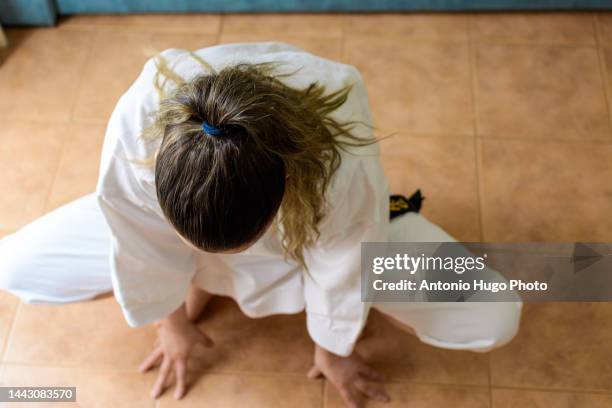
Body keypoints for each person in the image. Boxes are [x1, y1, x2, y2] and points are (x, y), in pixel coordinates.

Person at [0, 41, 522, 408]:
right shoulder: (138, 125)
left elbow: (343, 261)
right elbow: (136, 240)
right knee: (16, 266)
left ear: (284, 195)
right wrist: (171, 319)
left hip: (319, 244)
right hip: (186, 246)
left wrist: (331, 345)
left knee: (494, 314)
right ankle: (196, 279)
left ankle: (236, 276)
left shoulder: (339, 160)